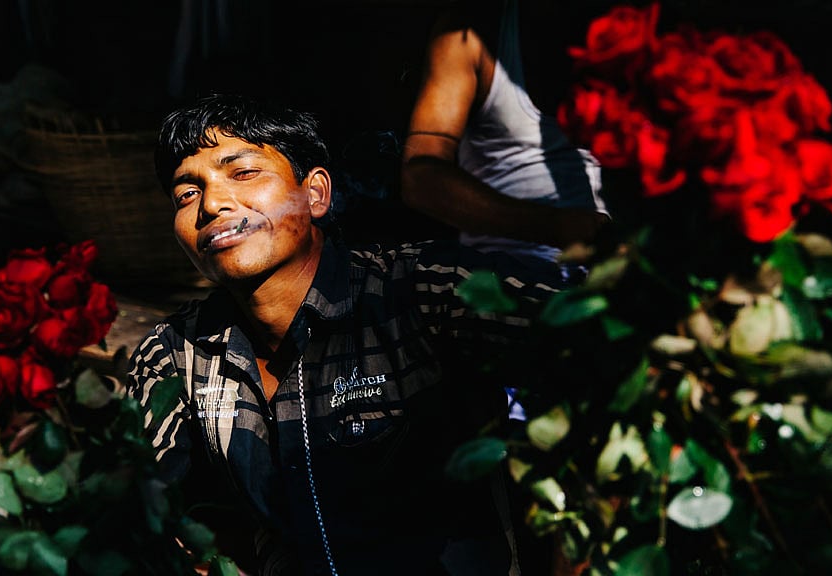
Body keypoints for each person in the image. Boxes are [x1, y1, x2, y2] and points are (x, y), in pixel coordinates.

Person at [126, 92, 577, 575]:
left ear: (315, 194)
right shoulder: (175, 354)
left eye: (243, 172)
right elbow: (135, 507)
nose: (212, 203)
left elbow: (609, 344)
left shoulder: (425, 289)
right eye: (186, 194)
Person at [400, 0, 610, 275]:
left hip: (624, 283)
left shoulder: (635, 33)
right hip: (510, 281)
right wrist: (556, 226)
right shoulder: (467, 36)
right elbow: (420, 179)